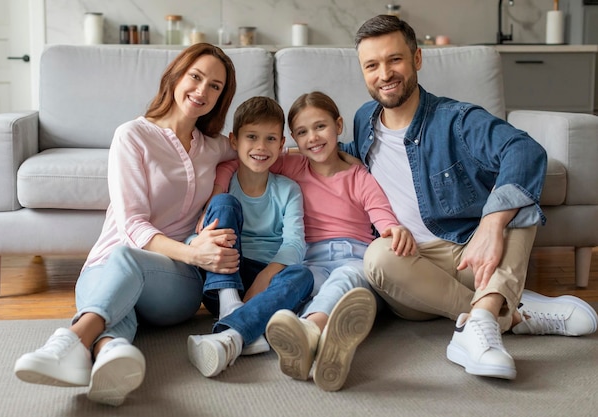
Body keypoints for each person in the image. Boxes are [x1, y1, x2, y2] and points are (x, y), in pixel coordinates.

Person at [343, 14, 598, 380]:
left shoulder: (456, 120)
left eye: (394, 59)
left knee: (517, 202)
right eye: (372, 65)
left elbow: (524, 151)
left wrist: (492, 225)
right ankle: (504, 312)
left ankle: (477, 329)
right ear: (363, 71)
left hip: (471, 255)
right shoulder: (364, 120)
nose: (384, 74)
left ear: (416, 59)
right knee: (377, 257)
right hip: (413, 272)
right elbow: (341, 157)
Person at [13, 43, 241, 406]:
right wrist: (195, 252)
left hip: (173, 283)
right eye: (195, 77)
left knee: (125, 260)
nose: (202, 91)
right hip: (105, 267)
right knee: (116, 287)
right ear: (176, 76)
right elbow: (132, 223)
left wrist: (334, 152)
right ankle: (109, 355)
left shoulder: (214, 146)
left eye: (215, 86)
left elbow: (264, 149)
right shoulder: (132, 135)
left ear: (221, 98)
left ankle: (69, 342)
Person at [215, 91, 417, 391]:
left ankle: (312, 330)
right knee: (299, 286)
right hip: (311, 259)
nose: (313, 138)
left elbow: (382, 215)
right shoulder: (294, 166)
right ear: (293, 139)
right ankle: (323, 343)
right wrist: (216, 192)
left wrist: (393, 230)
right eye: (302, 132)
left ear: (338, 125)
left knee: (346, 279)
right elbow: (241, 163)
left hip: (355, 256)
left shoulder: (358, 176)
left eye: (320, 127)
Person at [187, 96, 314, 378]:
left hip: (267, 279)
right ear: (234, 141)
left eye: (270, 139)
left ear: (282, 145)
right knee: (223, 205)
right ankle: (231, 304)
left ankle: (230, 335)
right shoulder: (221, 185)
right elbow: (195, 237)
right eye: (252, 137)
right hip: (223, 279)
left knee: (303, 276)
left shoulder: (288, 189)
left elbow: (295, 243)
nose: (260, 147)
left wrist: (265, 276)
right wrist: (196, 247)